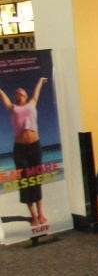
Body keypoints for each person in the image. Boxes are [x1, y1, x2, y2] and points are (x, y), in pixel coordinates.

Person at [0, 77, 48, 225]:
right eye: (17, 92)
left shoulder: (32, 104)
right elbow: (2, 95)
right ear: (15, 97)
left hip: (34, 146)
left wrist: (39, 81)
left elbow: (36, 93)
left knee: (36, 179)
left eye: (22, 90)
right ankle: (33, 216)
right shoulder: (12, 108)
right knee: (25, 181)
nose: (19, 91)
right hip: (20, 149)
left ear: (26, 95)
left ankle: (41, 213)